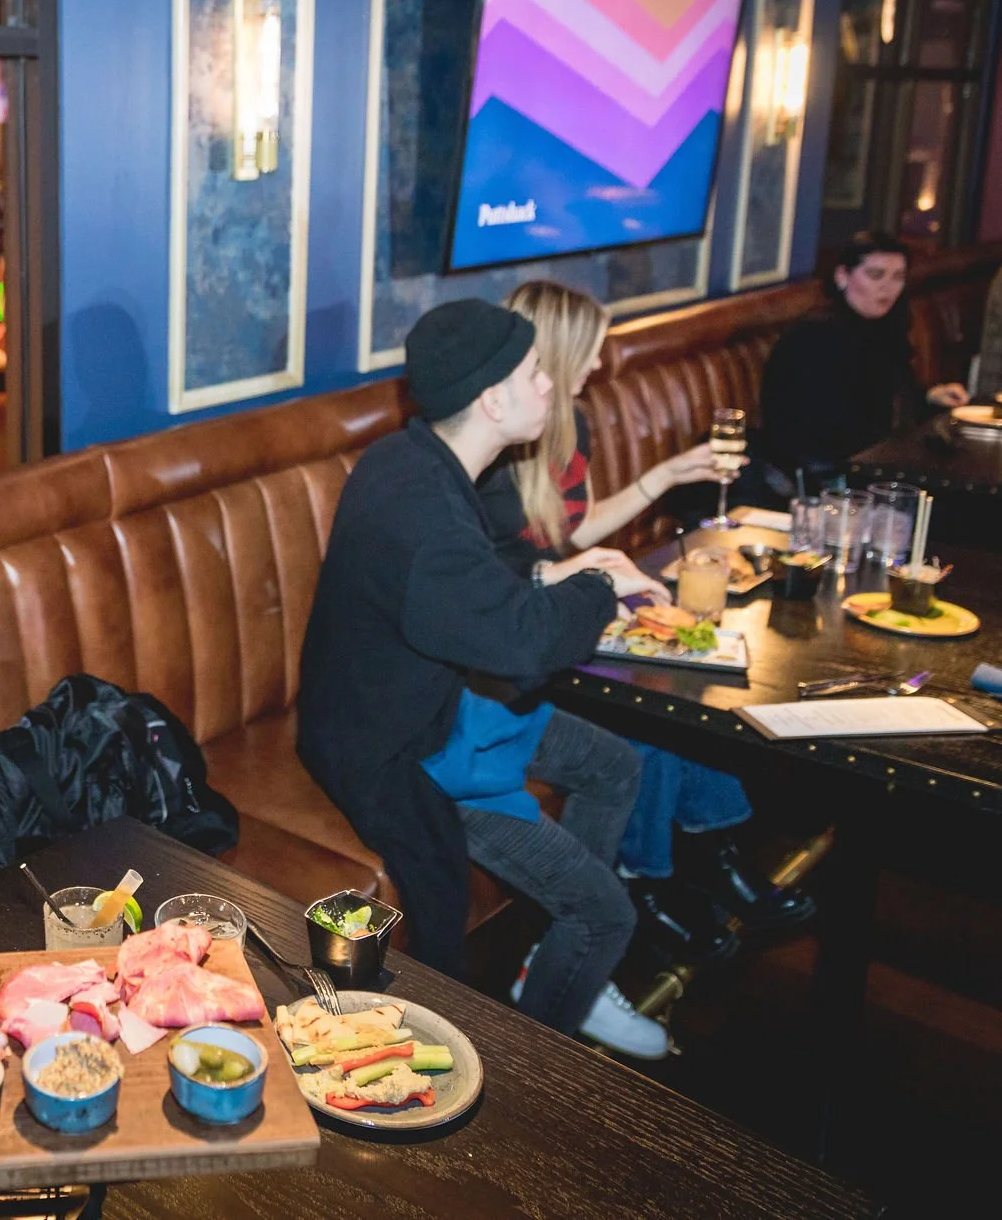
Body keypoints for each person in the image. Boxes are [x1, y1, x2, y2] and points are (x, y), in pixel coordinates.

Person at [298, 297, 672, 1058]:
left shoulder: (406, 458)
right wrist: (600, 584)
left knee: (614, 764)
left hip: (423, 707)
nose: (551, 382)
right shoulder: (426, 513)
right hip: (401, 749)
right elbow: (524, 644)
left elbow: (474, 594)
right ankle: (534, 1064)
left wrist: (556, 574)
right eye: (536, 371)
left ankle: (553, 954)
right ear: (493, 399)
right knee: (607, 914)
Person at [479, 281, 815, 964]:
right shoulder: (494, 447)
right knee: (650, 714)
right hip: (521, 634)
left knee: (686, 673)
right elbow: (510, 577)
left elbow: (573, 532)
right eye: (592, 350)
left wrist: (665, 475)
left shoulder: (568, 420)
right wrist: (586, 575)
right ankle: (647, 880)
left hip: (560, 604)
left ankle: (712, 852)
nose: (600, 364)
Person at [759, 230, 968, 493]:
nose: (888, 287)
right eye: (875, 275)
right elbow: (818, 427)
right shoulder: (816, 334)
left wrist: (930, 395)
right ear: (842, 276)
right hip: (821, 473)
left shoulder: (884, 327)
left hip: (867, 462)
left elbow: (890, 390)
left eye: (898, 277)